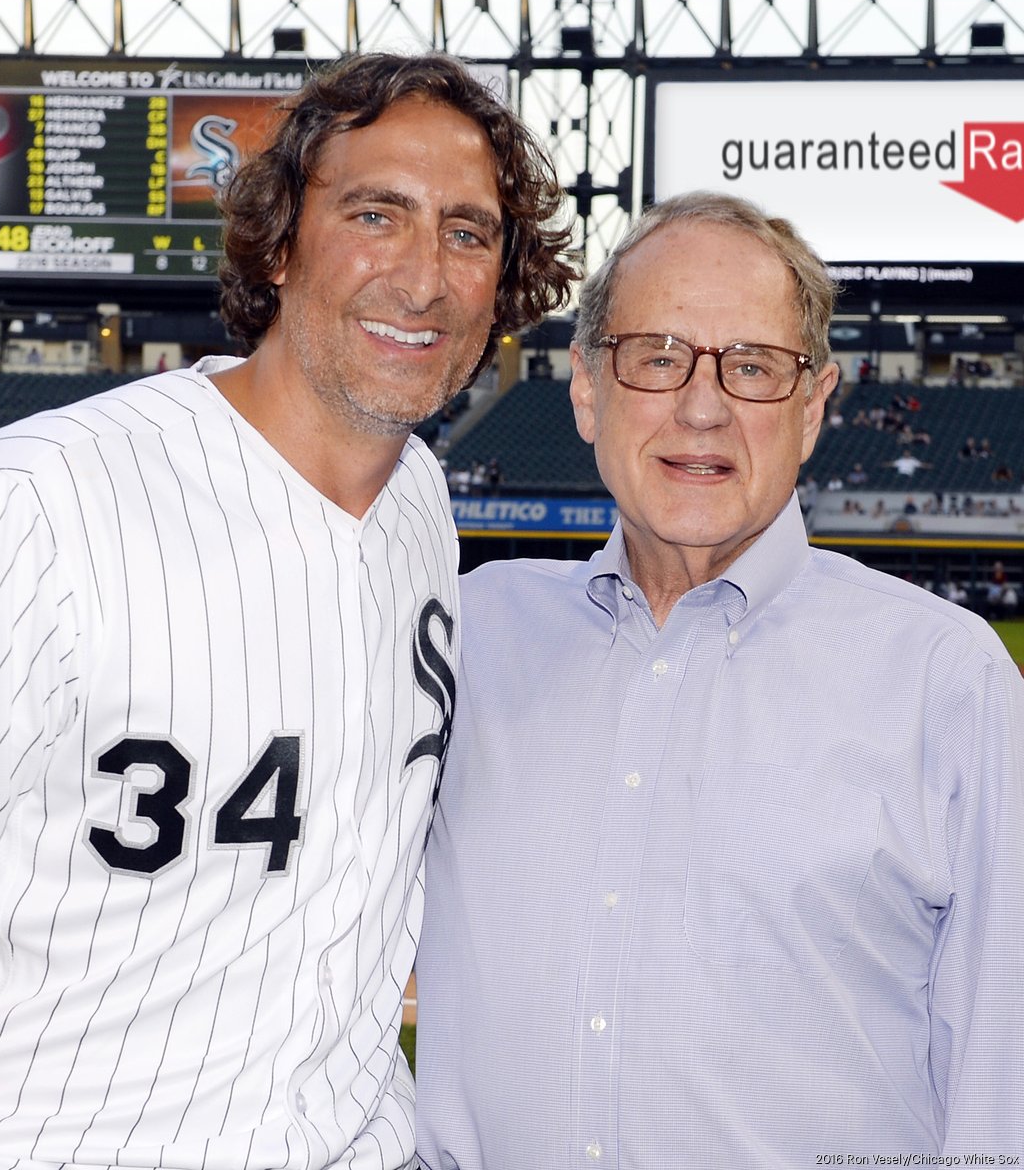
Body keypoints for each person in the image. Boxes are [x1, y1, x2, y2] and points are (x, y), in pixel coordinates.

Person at [0, 52, 576, 1170]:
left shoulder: (420, 499)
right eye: (378, 214)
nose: (425, 277)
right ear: (280, 243)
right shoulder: (49, 493)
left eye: (468, 233)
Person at [415, 191, 1024, 1165]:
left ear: (815, 407)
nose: (703, 407)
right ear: (584, 389)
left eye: (753, 366)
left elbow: (1005, 1084)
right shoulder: (467, 637)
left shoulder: (943, 680)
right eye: (657, 356)